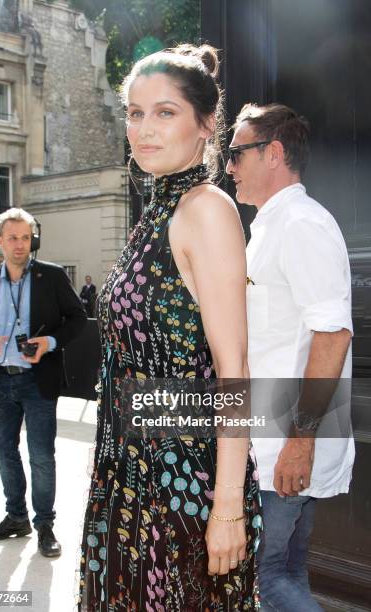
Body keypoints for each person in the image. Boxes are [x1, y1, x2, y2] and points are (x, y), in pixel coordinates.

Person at [78, 45, 261, 610]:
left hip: (184, 485)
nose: (144, 129)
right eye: (135, 113)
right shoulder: (154, 213)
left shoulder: (204, 209)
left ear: (207, 124)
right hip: (131, 474)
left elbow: (233, 371)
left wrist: (226, 506)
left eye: (165, 112)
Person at [226, 103, 355, 611]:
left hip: (289, 441)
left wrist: (299, 444)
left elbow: (333, 336)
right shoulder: (271, 226)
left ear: (274, 153)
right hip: (275, 437)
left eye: (237, 153)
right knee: (289, 572)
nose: (229, 166)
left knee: (265, 579)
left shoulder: (301, 223)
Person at [0, 208, 87, 557]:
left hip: (38, 381)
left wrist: (48, 343)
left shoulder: (53, 276)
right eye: (13, 237)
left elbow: (77, 319)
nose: (20, 244)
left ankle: (45, 524)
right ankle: (17, 518)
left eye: (26, 237)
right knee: (5, 453)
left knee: (42, 456)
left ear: (34, 239)